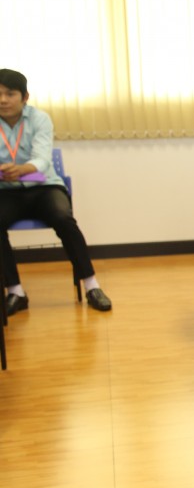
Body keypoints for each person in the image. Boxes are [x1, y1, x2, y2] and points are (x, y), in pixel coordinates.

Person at [0, 68, 112, 314]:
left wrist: (22, 169)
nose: (3, 100)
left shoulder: (39, 119)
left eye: (10, 93)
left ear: (25, 97)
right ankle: (16, 292)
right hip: (5, 190)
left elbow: (42, 158)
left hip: (44, 186)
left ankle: (92, 286)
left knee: (64, 218)